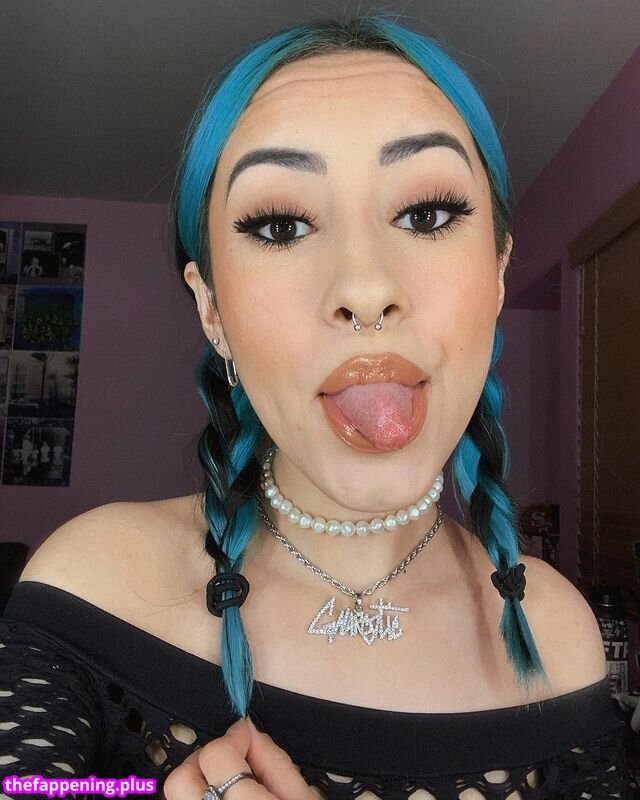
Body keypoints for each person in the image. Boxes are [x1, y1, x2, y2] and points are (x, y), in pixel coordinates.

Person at [0, 11, 633, 800]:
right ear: (212, 310)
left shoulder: (559, 638)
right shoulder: (92, 582)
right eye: (281, 225)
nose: (365, 288)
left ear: (499, 273)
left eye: (428, 214)